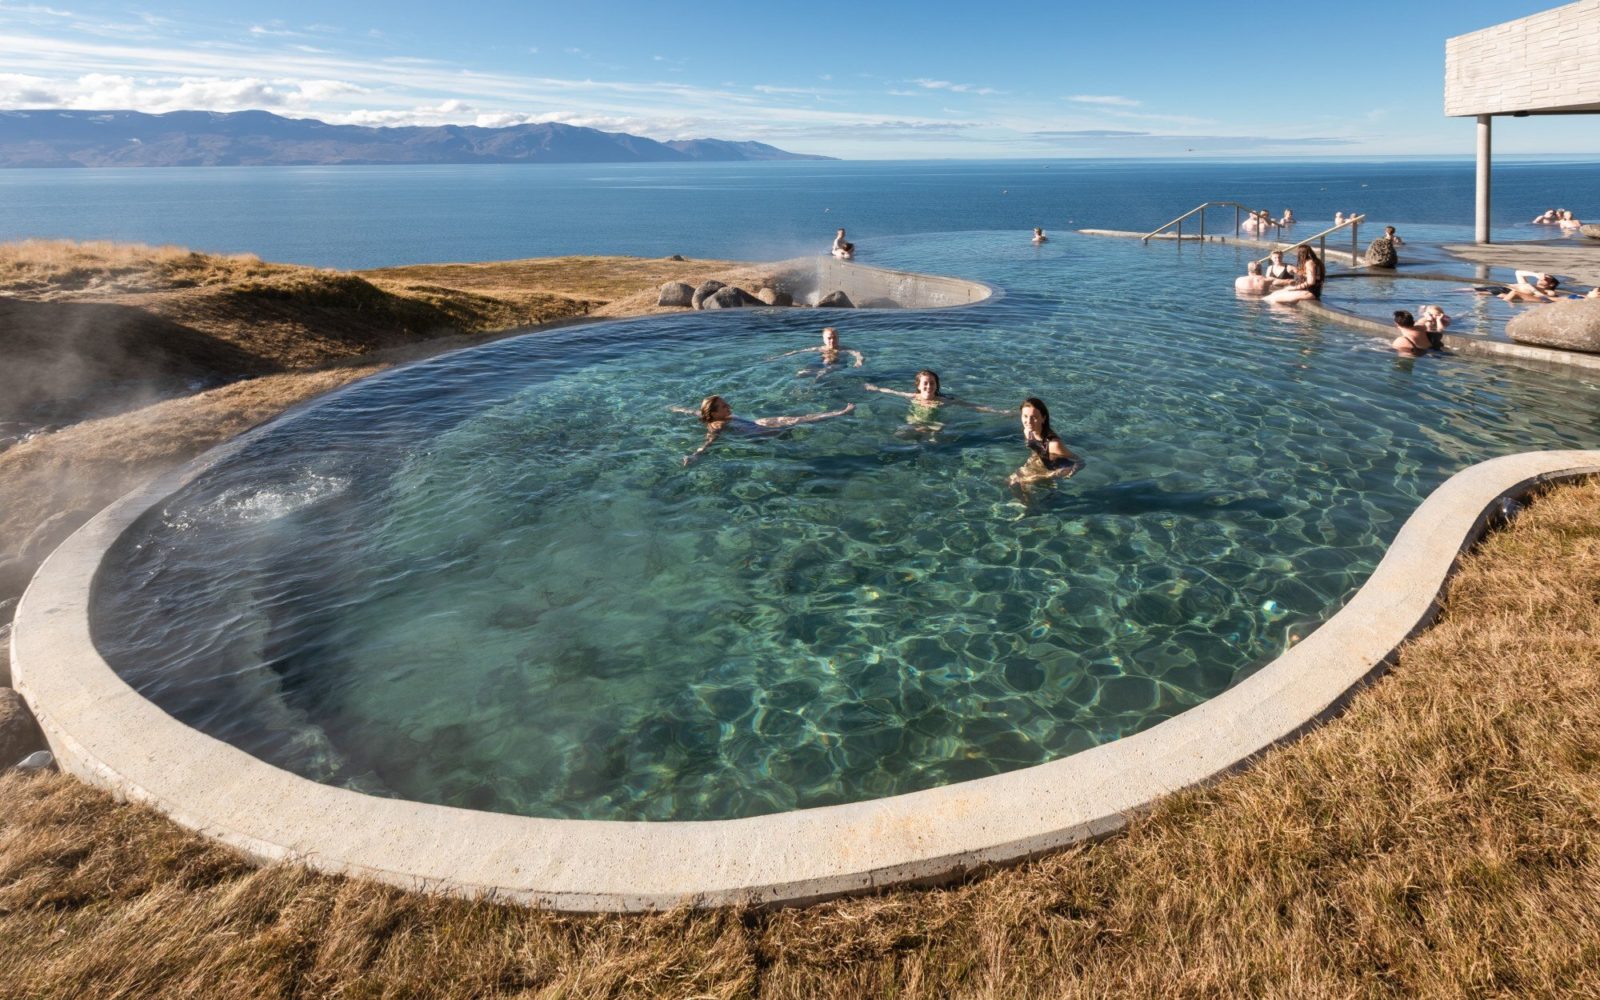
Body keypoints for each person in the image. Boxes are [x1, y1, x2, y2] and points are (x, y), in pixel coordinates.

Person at [676, 395, 854, 465]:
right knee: (803, 420)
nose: (728, 405)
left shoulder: (719, 417)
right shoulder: (718, 425)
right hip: (766, 432)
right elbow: (709, 441)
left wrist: (679, 409)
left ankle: (839, 414)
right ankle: (840, 414)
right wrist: (695, 455)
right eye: (724, 406)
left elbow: (696, 412)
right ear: (714, 413)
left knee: (802, 418)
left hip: (760, 423)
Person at [1008, 397, 1083, 485]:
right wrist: (1031, 464)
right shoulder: (1027, 431)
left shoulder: (1053, 444)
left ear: (1043, 418)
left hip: (1054, 470)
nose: (1028, 421)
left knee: (1017, 482)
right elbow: (1035, 451)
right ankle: (1026, 498)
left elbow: (1079, 461)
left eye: (1034, 417)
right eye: (1025, 416)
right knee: (1011, 482)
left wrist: (1057, 475)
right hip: (1041, 463)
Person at [863, 369, 1006, 414]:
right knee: (901, 433)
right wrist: (875, 388)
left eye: (932, 383)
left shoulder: (943, 400)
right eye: (925, 383)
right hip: (916, 423)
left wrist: (999, 412)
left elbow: (972, 405)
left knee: (934, 438)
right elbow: (892, 392)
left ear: (937, 386)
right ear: (918, 386)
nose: (929, 386)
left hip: (936, 425)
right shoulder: (913, 396)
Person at [768, 326, 864, 374]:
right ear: (823, 339)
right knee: (802, 372)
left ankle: (819, 376)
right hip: (821, 363)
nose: (832, 340)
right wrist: (779, 357)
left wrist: (858, 361)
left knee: (827, 370)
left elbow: (858, 354)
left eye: (835, 337)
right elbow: (799, 351)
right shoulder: (820, 349)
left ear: (838, 337)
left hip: (838, 364)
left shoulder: (844, 349)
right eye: (829, 338)